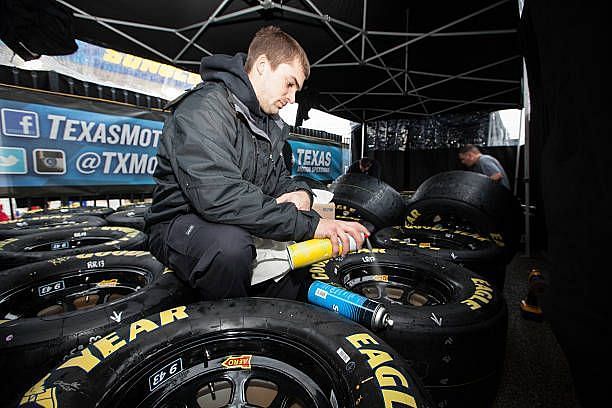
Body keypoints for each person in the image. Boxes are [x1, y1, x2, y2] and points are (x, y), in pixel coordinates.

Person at [144, 25, 369, 301]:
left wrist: (303, 195)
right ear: (262, 66)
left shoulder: (269, 125)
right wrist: (312, 225)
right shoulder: (203, 109)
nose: (292, 99)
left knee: (293, 268)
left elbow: (280, 181)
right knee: (230, 248)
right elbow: (219, 196)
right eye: (289, 83)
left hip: (232, 219)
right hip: (177, 223)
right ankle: (226, 334)